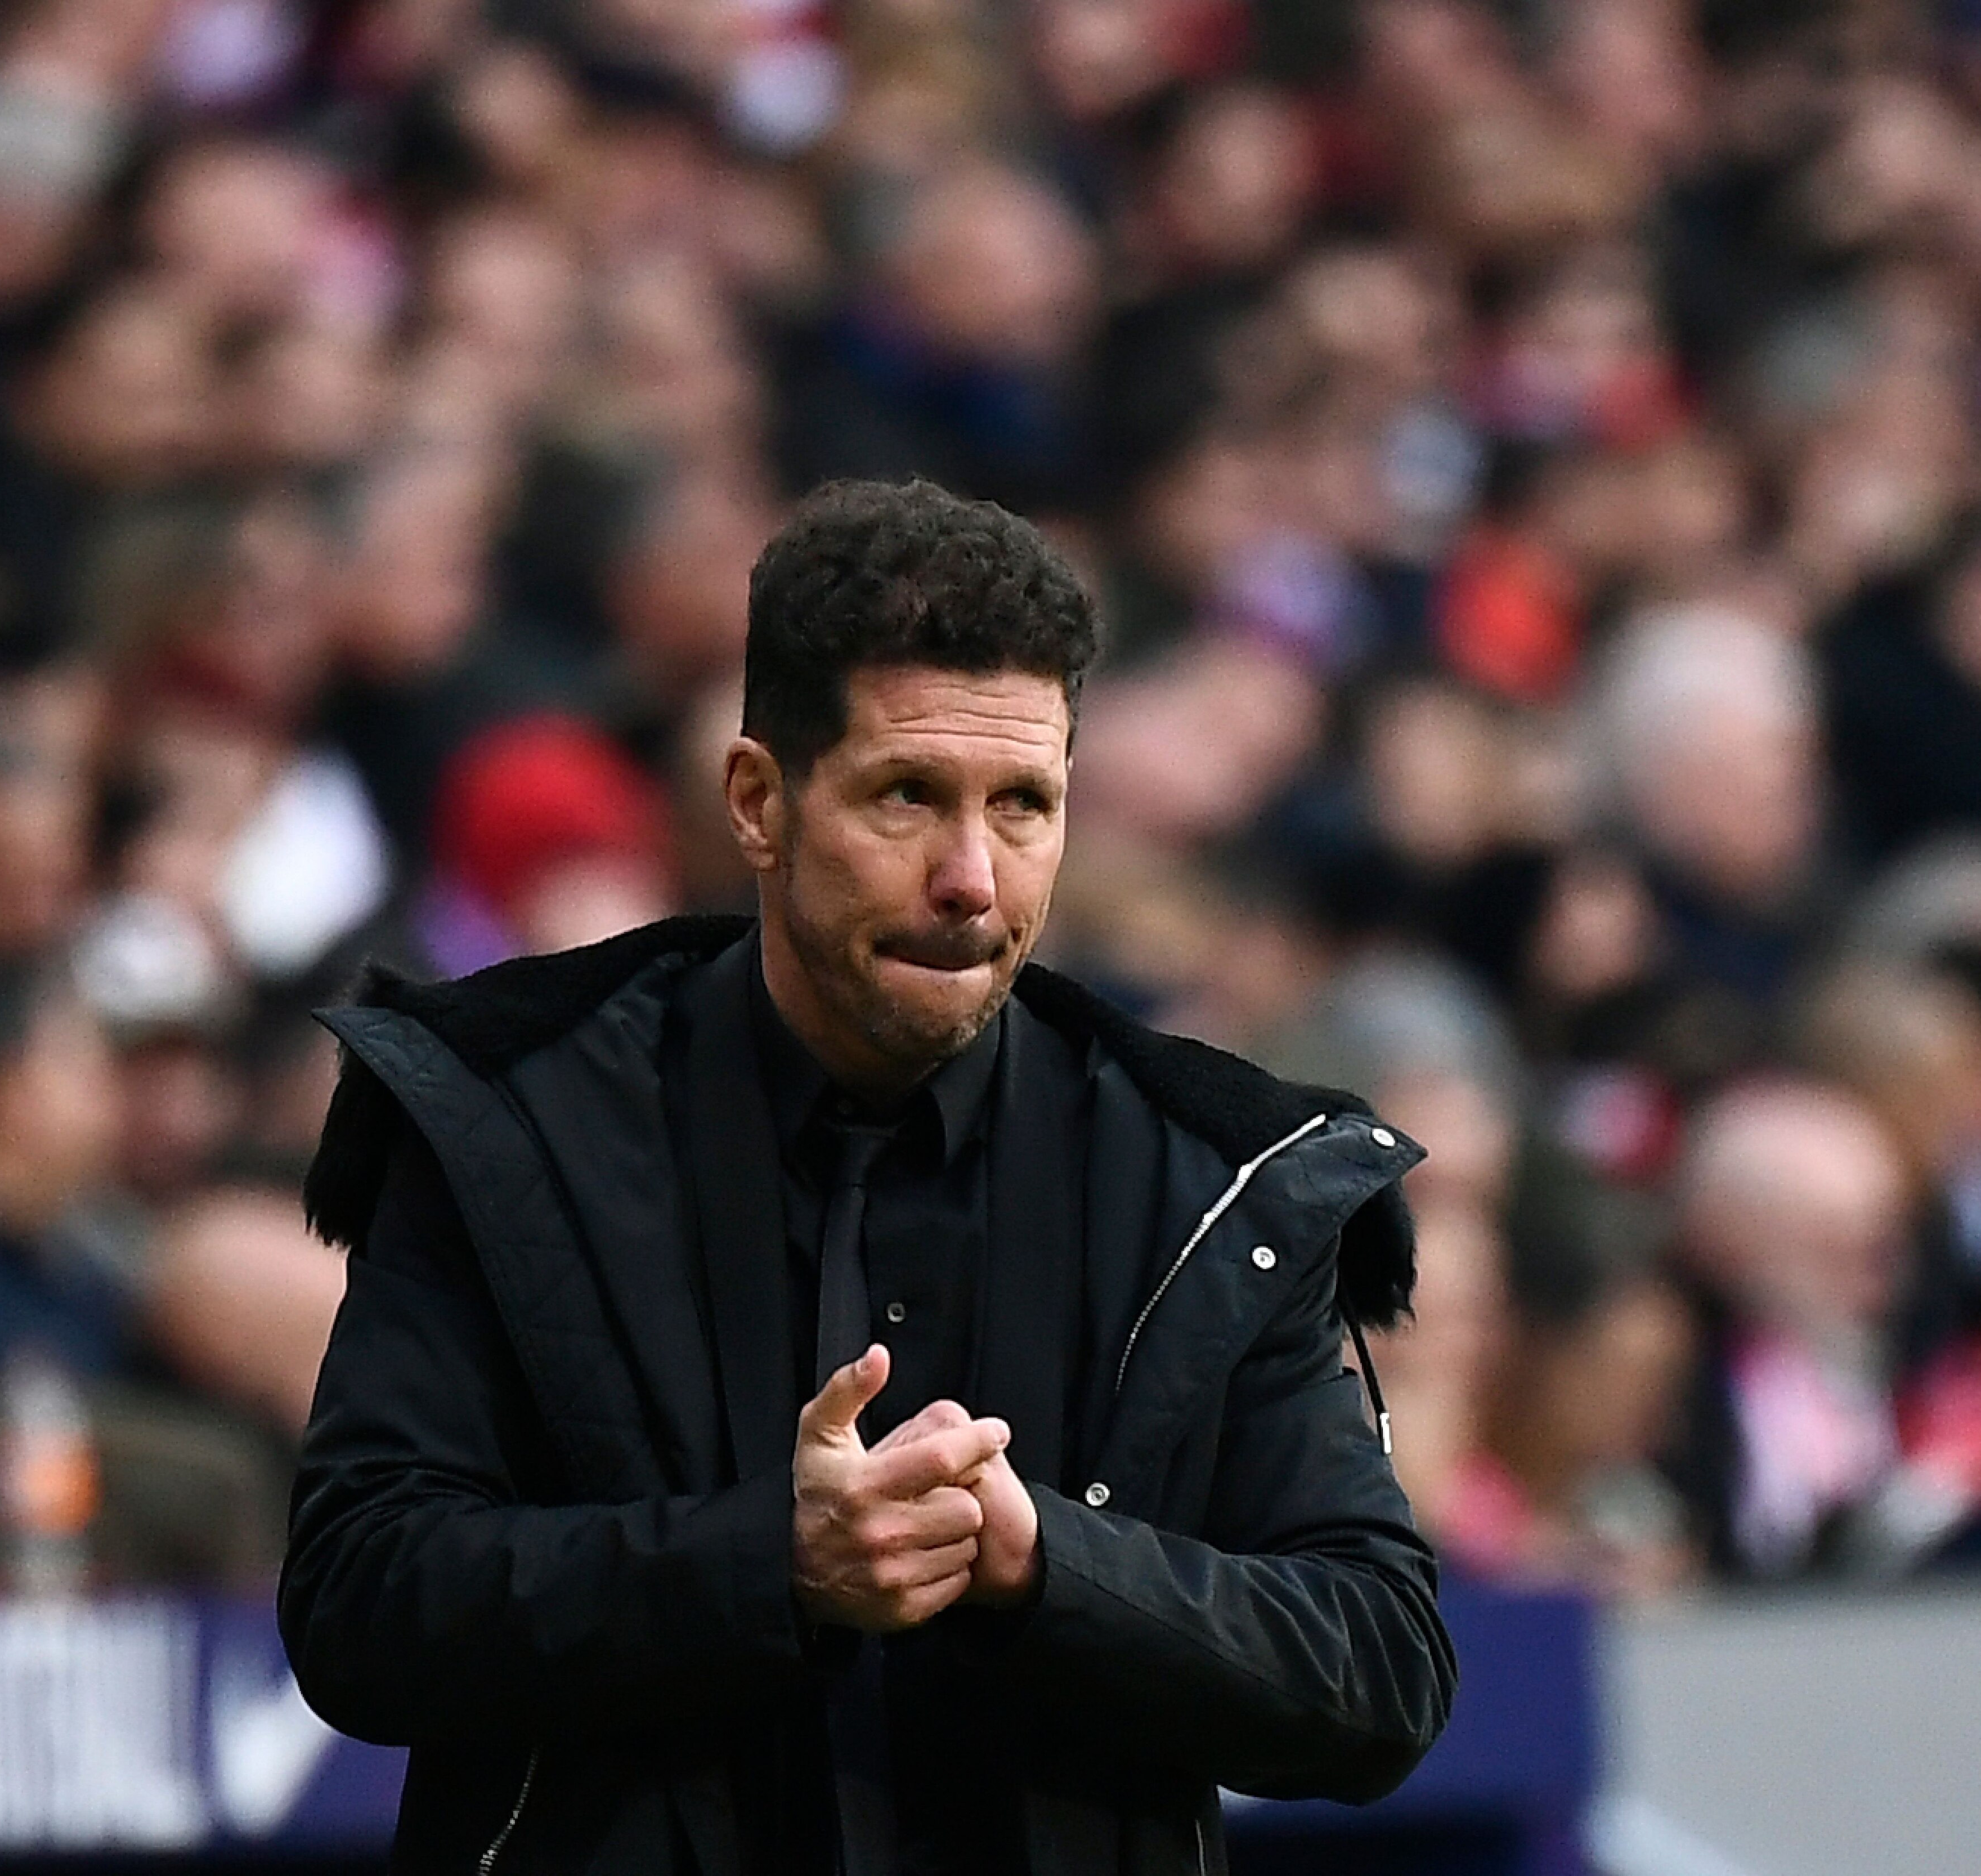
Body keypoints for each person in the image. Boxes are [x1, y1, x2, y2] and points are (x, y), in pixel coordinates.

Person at [284, 480, 1455, 1875]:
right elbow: (360, 1604)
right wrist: (764, 1562)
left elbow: (1380, 1666)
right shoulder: (508, 1120)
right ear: (758, 802)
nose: (971, 876)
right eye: (908, 795)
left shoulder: (1210, 1178)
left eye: (1022, 805)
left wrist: (1045, 1566)